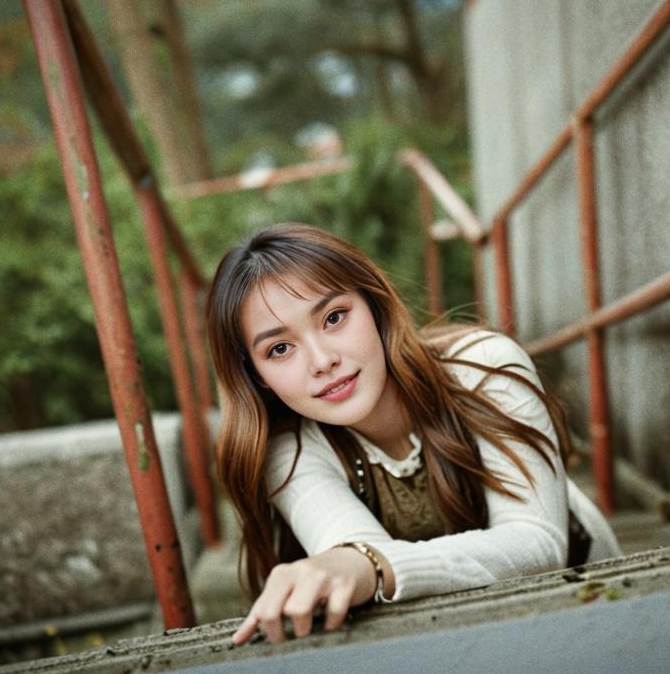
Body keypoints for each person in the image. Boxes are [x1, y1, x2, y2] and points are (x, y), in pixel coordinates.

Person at [206, 223, 620, 645]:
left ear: (374, 305)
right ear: (256, 378)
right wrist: (357, 564)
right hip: (461, 631)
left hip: (593, 594)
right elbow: (353, 555)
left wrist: (371, 566)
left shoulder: (483, 367)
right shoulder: (289, 453)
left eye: (334, 317)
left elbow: (538, 545)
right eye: (279, 348)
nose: (322, 360)